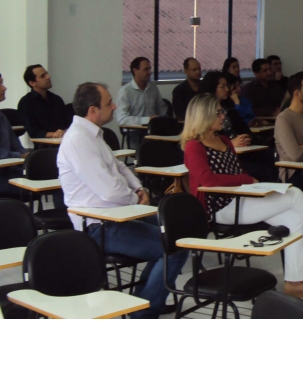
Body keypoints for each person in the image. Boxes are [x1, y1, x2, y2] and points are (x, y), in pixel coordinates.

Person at [182, 93, 303, 303]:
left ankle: (295, 283)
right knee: (296, 195)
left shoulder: (224, 139)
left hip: (242, 197)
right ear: (203, 116)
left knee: (294, 220)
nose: (223, 116)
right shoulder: (194, 146)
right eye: (218, 112)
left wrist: (248, 183)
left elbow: (235, 171)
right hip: (220, 207)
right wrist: (245, 180)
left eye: (221, 111)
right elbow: (208, 180)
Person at [58, 82, 188, 318]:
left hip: (119, 214)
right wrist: (135, 199)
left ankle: (142, 302)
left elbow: (119, 167)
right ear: (92, 110)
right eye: (109, 103)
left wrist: (139, 188)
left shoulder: (93, 135)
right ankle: (144, 311)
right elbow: (108, 190)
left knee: (176, 232)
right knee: (175, 247)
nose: (115, 106)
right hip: (98, 225)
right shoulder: (78, 140)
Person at [200, 71, 277, 183]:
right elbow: (210, 138)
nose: (227, 89)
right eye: (222, 86)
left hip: (243, 149)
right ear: (212, 87)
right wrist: (231, 142)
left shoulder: (229, 108)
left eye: (227, 85)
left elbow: (244, 129)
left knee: (269, 156)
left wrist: (246, 138)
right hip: (225, 156)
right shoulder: (204, 111)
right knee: (259, 169)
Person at [116, 57, 167, 148]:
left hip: (154, 129)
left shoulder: (153, 88)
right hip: (135, 132)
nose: (149, 72)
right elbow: (122, 119)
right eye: (146, 69)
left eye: (150, 69)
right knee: (150, 149)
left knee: (173, 146)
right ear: (135, 70)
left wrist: (162, 120)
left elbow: (162, 108)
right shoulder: (125, 91)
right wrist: (148, 120)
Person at [17, 64, 72, 139]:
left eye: (46, 73)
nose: (48, 77)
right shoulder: (25, 103)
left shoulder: (56, 99)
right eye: (42, 76)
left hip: (63, 140)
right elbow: (34, 132)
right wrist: (56, 134)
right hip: (44, 146)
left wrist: (64, 131)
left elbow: (67, 122)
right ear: (32, 83)